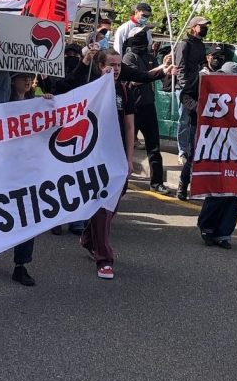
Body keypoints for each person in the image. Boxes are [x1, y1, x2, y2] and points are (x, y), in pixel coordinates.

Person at [0, 72, 54, 286]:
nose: (27, 81)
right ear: (13, 81)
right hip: (3, 168)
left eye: (30, 78)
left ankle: (21, 265)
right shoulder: (2, 103)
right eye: (22, 77)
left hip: (28, 169)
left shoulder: (36, 104)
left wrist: (47, 103)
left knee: (28, 215)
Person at [81, 50, 134, 279]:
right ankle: (104, 257)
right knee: (103, 204)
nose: (116, 69)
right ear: (100, 65)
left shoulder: (123, 89)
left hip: (117, 156)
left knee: (116, 198)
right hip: (96, 157)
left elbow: (130, 126)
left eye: (119, 65)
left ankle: (89, 238)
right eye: (111, 65)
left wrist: (129, 157)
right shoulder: (90, 88)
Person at [121, 26, 175, 193]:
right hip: (133, 107)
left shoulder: (150, 56)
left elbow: (156, 75)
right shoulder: (129, 57)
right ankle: (122, 181)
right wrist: (158, 71)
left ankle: (156, 182)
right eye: (141, 34)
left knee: (154, 147)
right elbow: (137, 79)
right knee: (126, 146)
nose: (145, 37)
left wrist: (165, 67)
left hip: (148, 106)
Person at [176, 17, 211, 200]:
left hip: (199, 86)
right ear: (194, 27)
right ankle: (183, 184)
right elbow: (181, 67)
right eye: (202, 26)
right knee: (192, 150)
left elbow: (202, 63)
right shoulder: (185, 44)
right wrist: (186, 85)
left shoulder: (200, 45)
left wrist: (206, 70)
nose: (205, 29)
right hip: (189, 91)